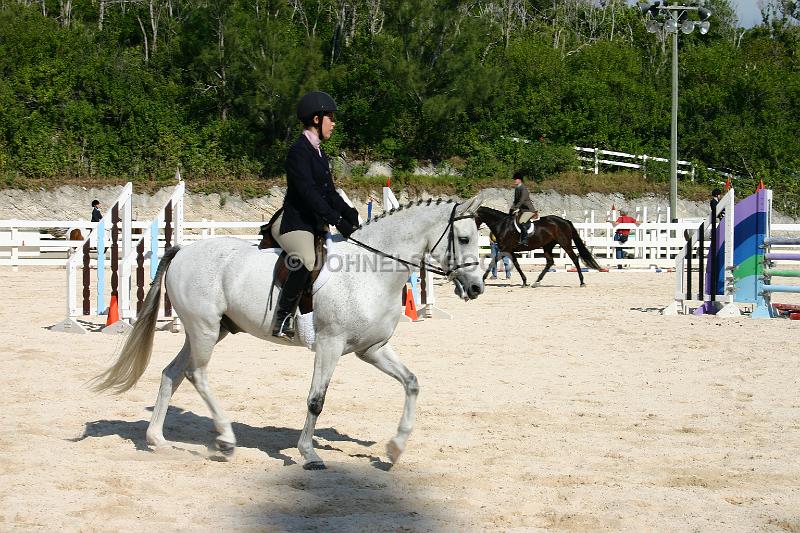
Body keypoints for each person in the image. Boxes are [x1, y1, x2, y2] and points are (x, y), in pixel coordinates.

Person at [270, 91, 360, 339]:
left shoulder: (320, 154)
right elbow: (308, 193)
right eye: (330, 117)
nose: (334, 122)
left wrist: (348, 212)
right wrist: (336, 220)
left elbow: (329, 192)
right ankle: (283, 316)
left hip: (314, 223)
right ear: (317, 119)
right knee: (307, 260)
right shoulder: (298, 151)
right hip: (295, 222)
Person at [509, 170, 537, 245]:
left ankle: (525, 240)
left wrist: (516, 208)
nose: (514, 181)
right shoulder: (517, 188)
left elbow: (521, 200)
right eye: (514, 179)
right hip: (522, 210)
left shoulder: (523, 189)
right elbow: (515, 201)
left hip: (528, 210)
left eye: (515, 179)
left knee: (522, 221)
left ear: (519, 180)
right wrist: (511, 209)